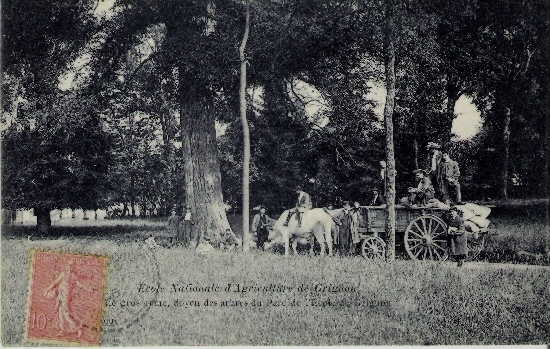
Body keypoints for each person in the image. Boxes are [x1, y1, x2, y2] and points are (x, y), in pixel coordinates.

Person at [43, 260, 94, 338]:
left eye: (72, 265)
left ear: (74, 267)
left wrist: (88, 290)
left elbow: (80, 285)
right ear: (67, 266)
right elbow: (55, 283)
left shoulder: (73, 276)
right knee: (60, 312)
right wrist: (47, 289)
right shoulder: (63, 274)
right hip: (61, 294)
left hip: (66, 296)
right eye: (69, 265)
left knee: (66, 313)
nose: (71, 267)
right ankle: (62, 330)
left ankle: (78, 328)